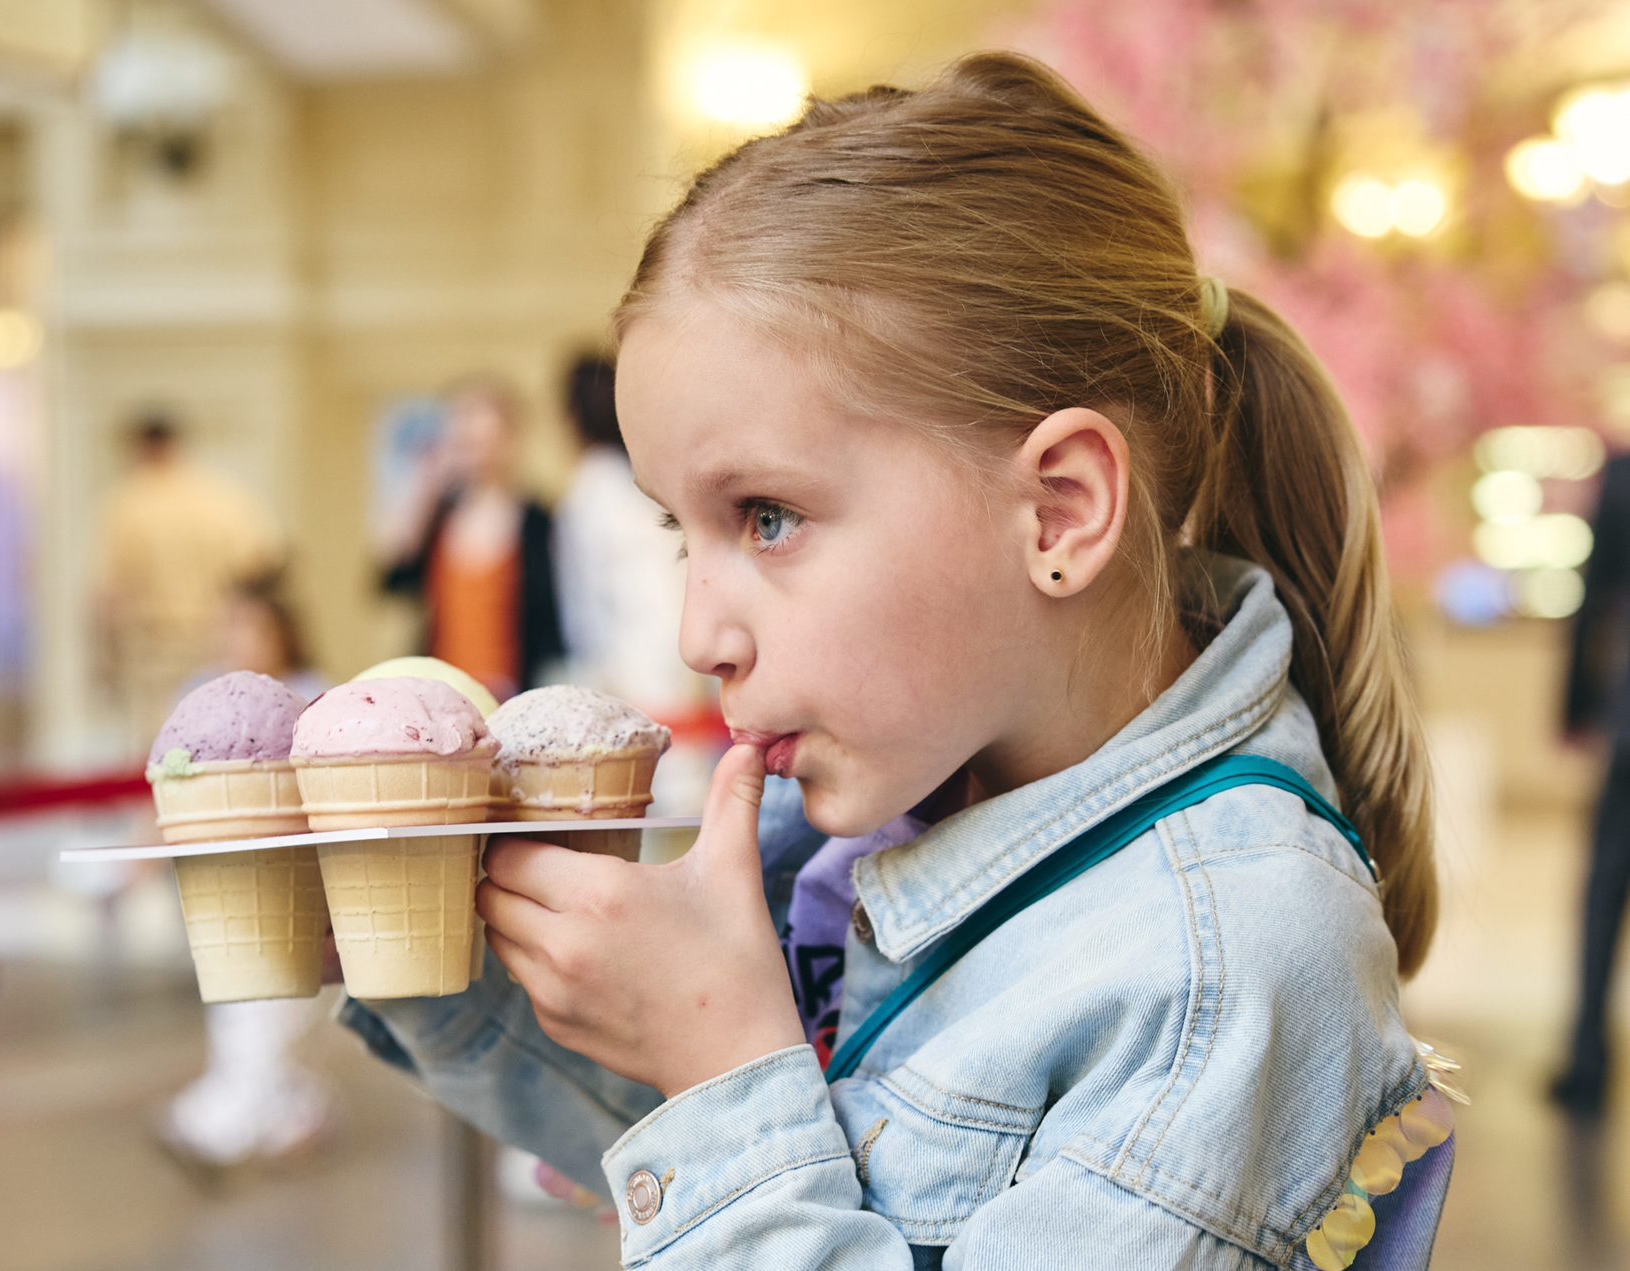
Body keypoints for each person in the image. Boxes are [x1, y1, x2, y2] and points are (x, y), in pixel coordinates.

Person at [338, 55, 1452, 1269]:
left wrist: (723, 1064)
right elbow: (736, 1149)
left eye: (765, 515)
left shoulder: (1230, 964)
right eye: (683, 529)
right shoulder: (880, 811)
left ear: (1058, 512)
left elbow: (749, 1136)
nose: (697, 633)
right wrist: (454, 943)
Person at [156, 573, 336, 1176]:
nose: (236, 638)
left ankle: (220, 1126)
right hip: (222, 880)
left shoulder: (316, 698)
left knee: (267, 1003)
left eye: (249, 626)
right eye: (228, 626)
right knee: (243, 1002)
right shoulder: (196, 697)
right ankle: (292, 1110)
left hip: (298, 881)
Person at [552, 354, 721, 814]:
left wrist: (591, 673)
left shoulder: (591, 487)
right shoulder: (642, 480)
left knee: (653, 796)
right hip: (680, 642)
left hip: (633, 658)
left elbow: (584, 605)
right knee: (687, 790)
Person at [95, 414, 282, 755]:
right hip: (217, 640)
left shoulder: (129, 502)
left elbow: (109, 594)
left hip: (152, 652)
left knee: (158, 752)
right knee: (220, 742)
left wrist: (103, 660)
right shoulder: (224, 497)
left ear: (142, 449)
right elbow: (264, 569)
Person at [379, 380, 563, 702]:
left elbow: (553, 621)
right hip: (442, 691)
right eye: (466, 439)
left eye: (487, 439)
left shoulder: (539, 521)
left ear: (511, 439)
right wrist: (425, 484)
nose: (478, 451)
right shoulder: (438, 517)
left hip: (516, 691)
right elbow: (391, 580)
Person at [1552, 453, 1630, 1116]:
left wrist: (1576, 706)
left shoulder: (1624, 473)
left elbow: (1594, 594)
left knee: (1605, 889)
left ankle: (1586, 1056)